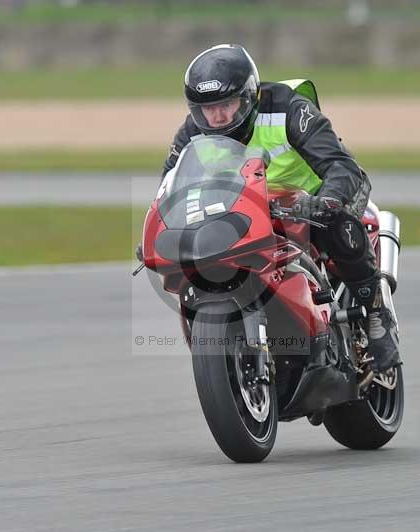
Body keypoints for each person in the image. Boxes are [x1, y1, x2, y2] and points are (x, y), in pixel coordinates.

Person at [161, 43, 399, 373]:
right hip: (249, 212)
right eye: (206, 108)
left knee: (337, 225)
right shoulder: (191, 133)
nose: (216, 116)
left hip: (314, 200)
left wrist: (327, 201)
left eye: (226, 104)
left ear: (248, 96)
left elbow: (341, 166)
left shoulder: (288, 110)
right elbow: (171, 190)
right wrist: (165, 227)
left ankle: (376, 315)